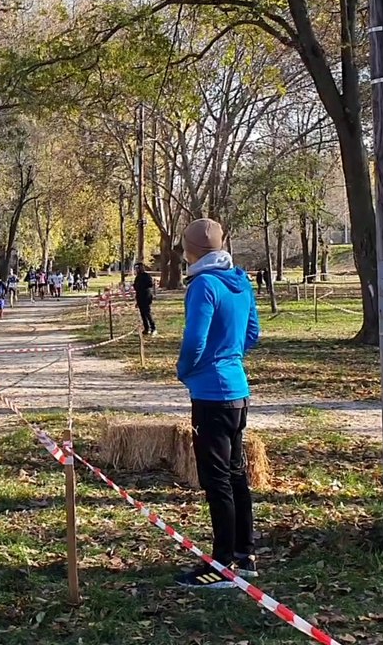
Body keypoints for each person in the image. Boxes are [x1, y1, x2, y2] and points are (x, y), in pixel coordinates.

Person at [174, 218, 262, 589]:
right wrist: (230, 356)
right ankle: (245, 553)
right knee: (237, 474)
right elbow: (253, 333)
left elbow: (194, 340)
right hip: (238, 391)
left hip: (211, 394)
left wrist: (186, 370)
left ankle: (223, 564)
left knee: (217, 481)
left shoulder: (204, 285)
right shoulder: (240, 282)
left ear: (190, 251)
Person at [135, 263, 157, 335]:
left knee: (147, 313)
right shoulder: (137, 277)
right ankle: (146, 328)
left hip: (146, 297)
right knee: (142, 314)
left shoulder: (146, 276)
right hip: (140, 297)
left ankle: (153, 328)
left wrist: (142, 286)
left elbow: (150, 284)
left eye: (137, 268)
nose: (136, 270)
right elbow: (136, 288)